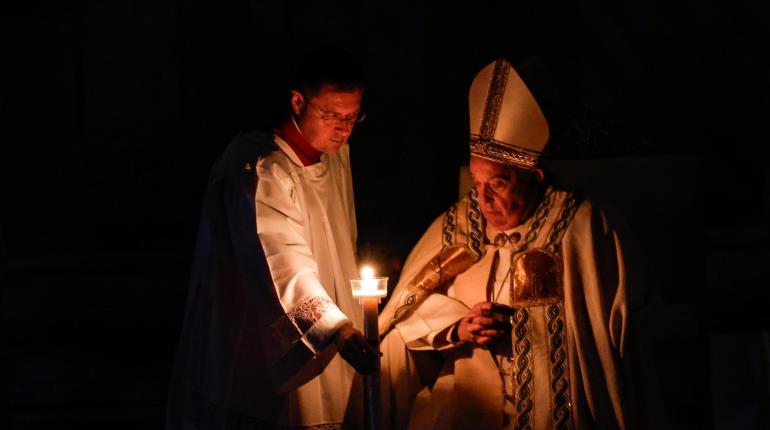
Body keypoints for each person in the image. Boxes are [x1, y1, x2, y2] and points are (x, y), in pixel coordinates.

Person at [378, 58, 660, 429]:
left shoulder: (580, 225)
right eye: (477, 185)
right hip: (465, 407)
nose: (483, 200)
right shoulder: (459, 224)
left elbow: (613, 332)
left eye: (497, 183)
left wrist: (526, 331)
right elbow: (405, 313)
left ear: (534, 177)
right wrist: (457, 326)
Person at [166, 48, 379, 430]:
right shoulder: (260, 167)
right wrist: (335, 329)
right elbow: (279, 258)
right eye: (332, 116)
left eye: (352, 117)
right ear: (298, 101)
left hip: (332, 337)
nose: (344, 129)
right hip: (264, 346)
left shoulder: (335, 156)